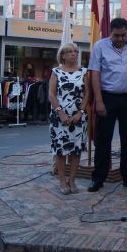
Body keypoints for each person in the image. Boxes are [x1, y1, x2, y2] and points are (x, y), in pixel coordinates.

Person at [88, 18, 127, 192]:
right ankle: (98, 178)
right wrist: (98, 101)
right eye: (116, 35)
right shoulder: (99, 46)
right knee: (103, 139)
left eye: (123, 35)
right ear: (109, 33)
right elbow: (95, 74)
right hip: (107, 97)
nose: (120, 39)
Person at [48, 43, 89, 194]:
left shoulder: (84, 71)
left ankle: (72, 180)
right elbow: (51, 95)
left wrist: (80, 112)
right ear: (63, 55)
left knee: (76, 150)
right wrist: (61, 113)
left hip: (78, 116)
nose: (74, 54)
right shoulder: (56, 72)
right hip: (59, 117)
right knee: (60, 150)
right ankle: (62, 181)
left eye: (76, 52)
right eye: (70, 52)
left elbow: (87, 94)